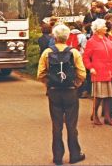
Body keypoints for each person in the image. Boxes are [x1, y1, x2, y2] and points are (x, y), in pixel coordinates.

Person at [37, 24, 86, 165]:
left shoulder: (47, 52)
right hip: (70, 91)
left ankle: (57, 157)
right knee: (72, 124)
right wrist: (76, 84)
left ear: (54, 36)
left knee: (56, 125)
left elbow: (40, 74)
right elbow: (82, 73)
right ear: (67, 36)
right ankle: (75, 154)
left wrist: (49, 83)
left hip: (54, 92)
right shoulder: (74, 53)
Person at [83, 19, 112, 126]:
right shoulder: (91, 42)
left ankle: (107, 116)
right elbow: (85, 57)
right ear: (98, 29)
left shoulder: (107, 39)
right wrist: (90, 67)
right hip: (99, 71)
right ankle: (94, 115)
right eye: (103, 26)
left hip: (110, 71)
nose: (106, 28)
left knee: (108, 96)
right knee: (99, 96)